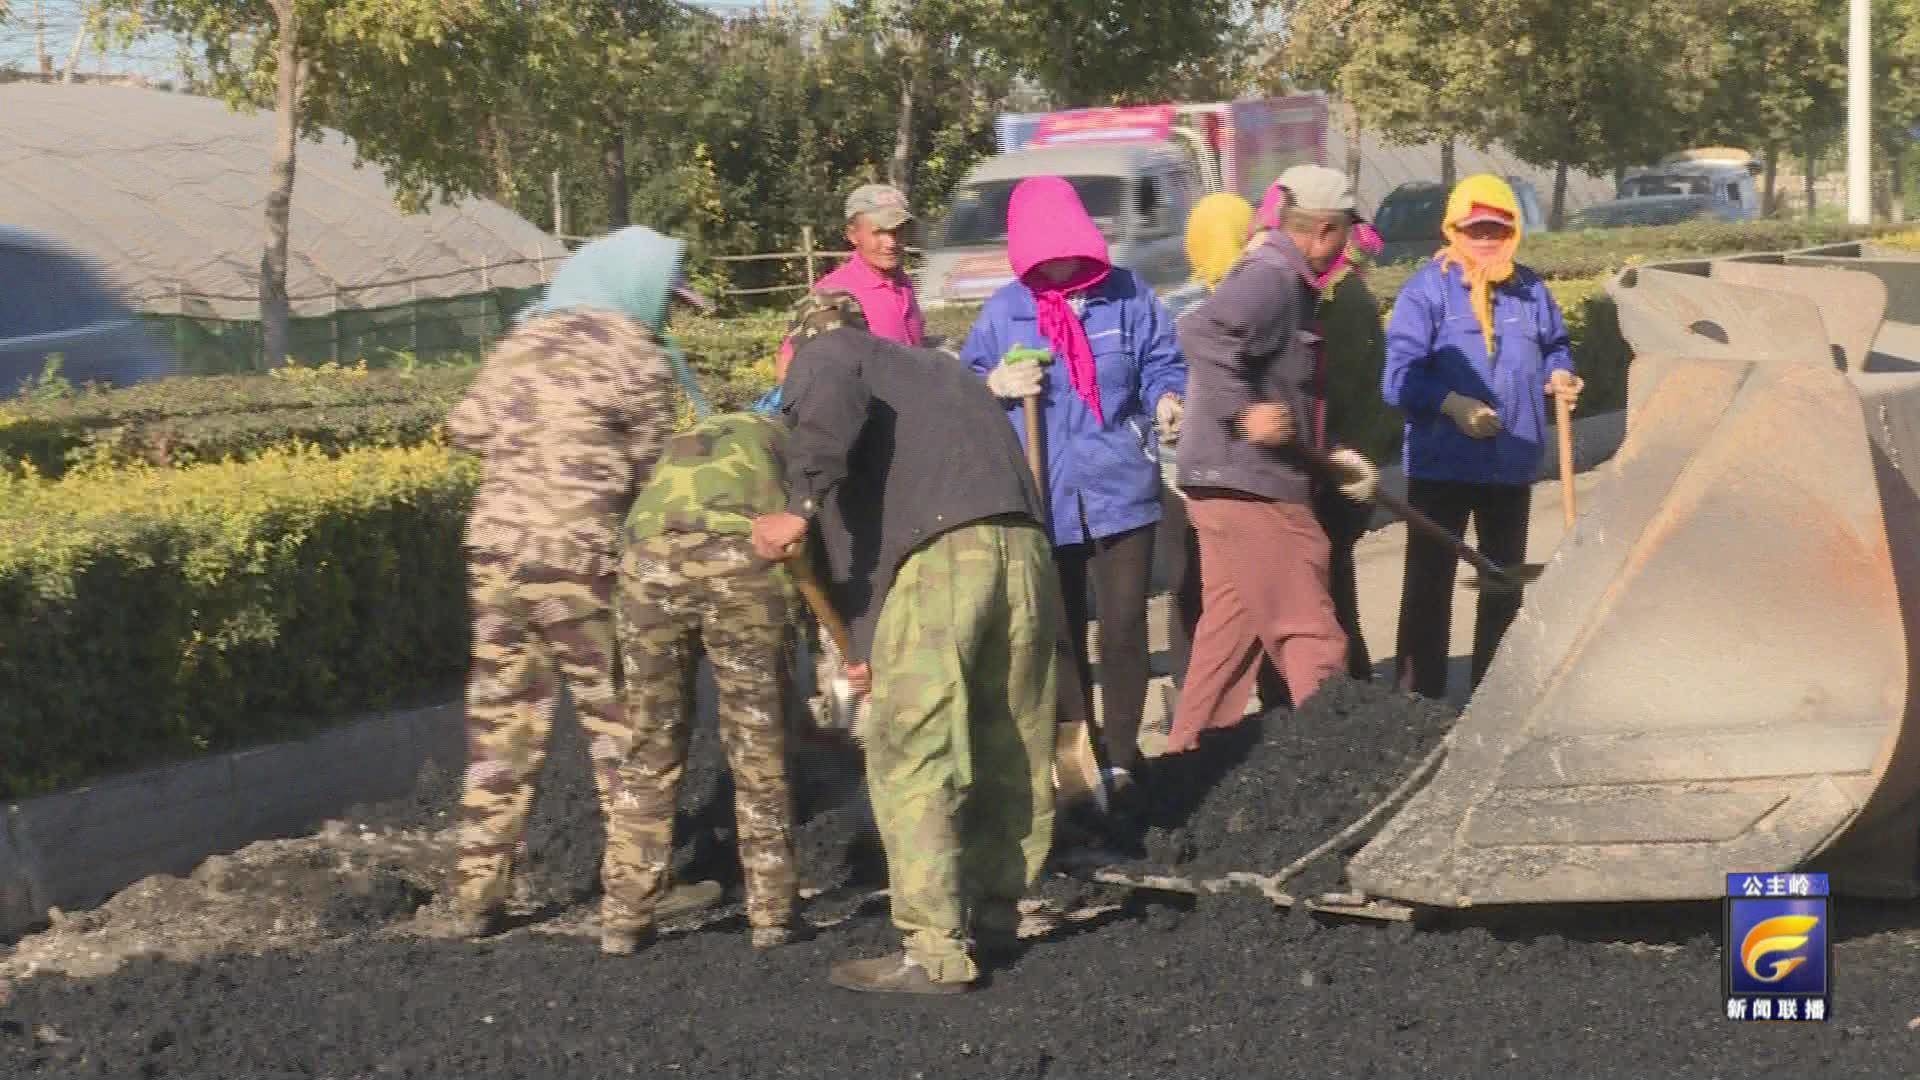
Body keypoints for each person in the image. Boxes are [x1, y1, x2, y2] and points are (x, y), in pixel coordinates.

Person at [749, 291, 1059, 996]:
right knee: (1009, 737)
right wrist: (864, 646)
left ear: (799, 344)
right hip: (1023, 551)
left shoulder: (831, 354)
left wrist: (795, 507)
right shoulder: (943, 371)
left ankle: (935, 953)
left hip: (939, 560)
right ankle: (1000, 912)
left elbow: (827, 414)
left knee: (914, 754)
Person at [443, 225, 724, 950]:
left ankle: (478, 896)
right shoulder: (639, 358)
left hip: (498, 559)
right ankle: (635, 894)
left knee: (502, 725)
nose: (666, 316)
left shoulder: (519, 343)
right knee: (621, 728)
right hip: (583, 564)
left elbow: (465, 430)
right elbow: (653, 478)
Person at [959, 175, 1186, 813]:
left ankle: (1121, 757)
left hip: (1120, 486)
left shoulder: (1127, 296)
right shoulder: (1006, 311)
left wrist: (1169, 398)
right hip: (1043, 496)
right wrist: (996, 384)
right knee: (1057, 635)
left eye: (1069, 251)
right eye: (1046, 255)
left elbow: (1163, 361)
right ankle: (1077, 754)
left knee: (1121, 630)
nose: (1061, 266)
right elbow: (965, 381)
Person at [1165, 166, 1379, 755]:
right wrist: (1244, 411)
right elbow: (1202, 332)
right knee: (1314, 636)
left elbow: (1284, 386)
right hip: (1252, 486)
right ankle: (1342, 771)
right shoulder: (1272, 278)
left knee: (1228, 641)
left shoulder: (1285, 280)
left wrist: (1328, 455)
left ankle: (1183, 769)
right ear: (1325, 231)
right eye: (1346, 236)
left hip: (1228, 484)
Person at [614, 394, 817, 953]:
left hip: (647, 565)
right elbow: (813, 544)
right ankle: (773, 914)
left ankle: (624, 917)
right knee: (758, 746)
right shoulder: (799, 442)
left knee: (650, 744)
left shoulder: (693, 439)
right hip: (741, 566)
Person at [1382, 173, 1581, 701]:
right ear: (1454, 230)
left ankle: (1494, 697)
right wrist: (1453, 404)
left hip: (1511, 462)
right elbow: (1399, 377)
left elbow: (1556, 345)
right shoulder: (1426, 290)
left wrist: (1560, 373)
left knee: (1504, 581)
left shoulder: (1531, 289)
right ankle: (1416, 703)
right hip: (1440, 465)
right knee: (1429, 584)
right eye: (1476, 230)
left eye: (1497, 228)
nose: (1487, 239)